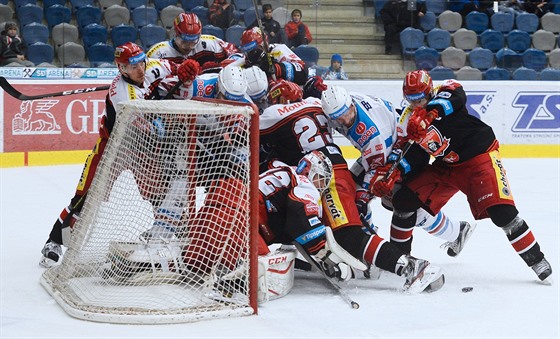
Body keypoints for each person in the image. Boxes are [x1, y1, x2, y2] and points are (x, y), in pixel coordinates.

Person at [259, 79, 445, 293]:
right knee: (337, 221)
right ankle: (370, 258)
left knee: (347, 232)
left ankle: (415, 267)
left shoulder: (274, 113)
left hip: (326, 175)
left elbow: (249, 127)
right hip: (328, 169)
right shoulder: (316, 103)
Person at [39, 42, 201, 267]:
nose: (140, 69)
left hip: (142, 151)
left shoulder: (152, 67)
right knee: (86, 196)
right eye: (132, 66)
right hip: (113, 148)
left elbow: (175, 67)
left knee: (159, 191)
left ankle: (164, 236)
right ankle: (54, 241)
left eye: (140, 62)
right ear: (121, 69)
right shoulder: (123, 93)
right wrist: (159, 108)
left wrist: (186, 69)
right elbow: (150, 126)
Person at [386, 70, 552, 282]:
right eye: (411, 99)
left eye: (420, 98)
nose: (416, 103)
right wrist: (398, 172)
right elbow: (417, 158)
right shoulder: (407, 120)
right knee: (403, 200)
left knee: (502, 212)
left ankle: (537, 260)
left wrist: (431, 113)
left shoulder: (443, 95)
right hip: (447, 165)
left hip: (478, 157)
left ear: (429, 91)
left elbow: (457, 94)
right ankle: (399, 259)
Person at [320, 84, 474, 257]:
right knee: (370, 197)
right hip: (393, 145)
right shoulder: (345, 101)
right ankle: (456, 231)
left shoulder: (372, 135)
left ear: (350, 104)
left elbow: (375, 169)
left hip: (403, 153)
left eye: (346, 114)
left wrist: (365, 194)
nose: (345, 120)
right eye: (338, 118)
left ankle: (367, 245)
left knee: (393, 204)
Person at [147, 13, 239, 68]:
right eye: (184, 42)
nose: (189, 47)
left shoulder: (210, 43)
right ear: (175, 34)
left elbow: (237, 54)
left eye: (193, 42)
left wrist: (228, 63)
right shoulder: (157, 52)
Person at [236, 27, 308, 85]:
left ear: (264, 44)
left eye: (255, 50)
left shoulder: (278, 50)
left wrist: (276, 68)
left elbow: (303, 72)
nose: (252, 55)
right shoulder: (245, 61)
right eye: (248, 52)